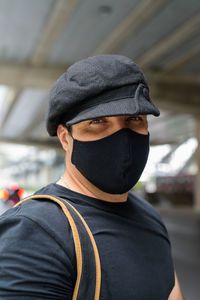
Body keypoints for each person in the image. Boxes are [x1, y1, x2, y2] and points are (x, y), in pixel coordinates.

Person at [0, 55, 184, 299]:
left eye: (134, 119)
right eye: (98, 122)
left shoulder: (149, 215)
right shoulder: (34, 234)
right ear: (66, 138)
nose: (123, 137)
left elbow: (171, 292)